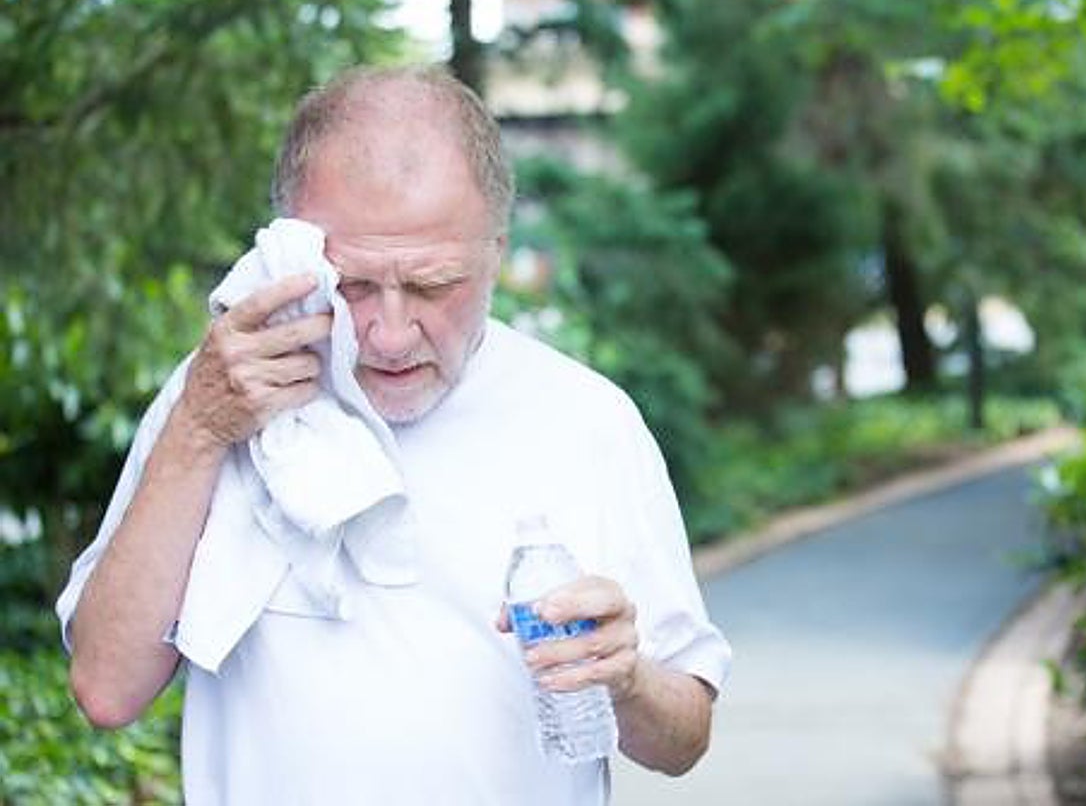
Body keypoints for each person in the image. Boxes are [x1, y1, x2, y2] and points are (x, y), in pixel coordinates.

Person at [56, 64, 730, 804]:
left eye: (435, 285)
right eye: (351, 286)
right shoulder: (223, 390)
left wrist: (627, 678)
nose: (389, 331)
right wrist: (201, 427)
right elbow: (105, 688)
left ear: (496, 252)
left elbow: (683, 740)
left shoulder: (586, 420)